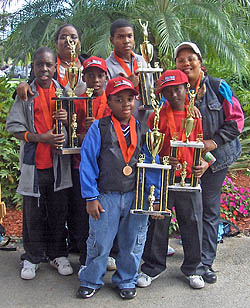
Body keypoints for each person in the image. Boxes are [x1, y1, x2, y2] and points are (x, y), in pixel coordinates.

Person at [77, 76, 159, 300]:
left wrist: (154, 197)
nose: (126, 104)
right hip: (106, 196)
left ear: (136, 101)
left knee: (132, 242)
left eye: (130, 99)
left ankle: (126, 279)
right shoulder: (99, 128)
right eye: (119, 99)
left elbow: (152, 165)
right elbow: (88, 163)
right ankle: (91, 279)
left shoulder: (144, 130)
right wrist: (91, 196)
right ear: (109, 102)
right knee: (100, 242)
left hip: (136, 196)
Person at [15, 24, 89, 256]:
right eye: (64, 37)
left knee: (71, 205)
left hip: (81, 149)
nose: (69, 41)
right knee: (40, 208)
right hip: (54, 155)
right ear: (56, 42)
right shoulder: (50, 73)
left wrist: (70, 122)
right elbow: (28, 93)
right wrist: (22, 84)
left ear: (79, 41)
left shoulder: (88, 65)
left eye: (73, 37)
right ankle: (38, 254)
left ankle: (68, 250)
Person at [174, 42, 244, 283]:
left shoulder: (218, 87)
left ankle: (205, 262)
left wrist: (210, 150)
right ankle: (192, 259)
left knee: (209, 209)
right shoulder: (175, 91)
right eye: (180, 60)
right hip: (186, 162)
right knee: (189, 210)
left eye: (190, 58)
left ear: (200, 61)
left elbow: (236, 122)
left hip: (216, 161)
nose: (186, 63)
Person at [137, 69, 209, 289]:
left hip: (190, 179)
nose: (174, 94)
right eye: (168, 91)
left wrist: (206, 163)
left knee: (193, 222)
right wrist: (165, 160)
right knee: (158, 221)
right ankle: (152, 267)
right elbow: (151, 150)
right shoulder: (155, 117)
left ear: (186, 89)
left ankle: (194, 269)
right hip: (164, 178)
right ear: (163, 94)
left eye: (178, 89)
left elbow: (204, 144)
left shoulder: (196, 115)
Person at [6, 47, 73, 280]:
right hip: (34, 165)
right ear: (32, 67)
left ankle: (57, 254)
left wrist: (67, 121)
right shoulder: (26, 94)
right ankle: (32, 257)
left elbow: (76, 129)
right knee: (32, 214)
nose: (44, 69)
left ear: (56, 66)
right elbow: (14, 127)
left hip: (58, 165)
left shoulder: (66, 92)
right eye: (39, 65)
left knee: (58, 211)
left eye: (48, 65)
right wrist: (39, 137)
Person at [70, 56, 111, 275]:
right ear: (83, 77)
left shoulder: (112, 101)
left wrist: (97, 126)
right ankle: (85, 256)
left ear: (106, 77)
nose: (95, 80)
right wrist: (78, 130)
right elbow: (71, 134)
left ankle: (107, 253)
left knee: (105, 213)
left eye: (100, 75)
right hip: (81, 166)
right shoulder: (77, 101)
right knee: (82, 212)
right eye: (91, 75)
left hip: (106, 168)